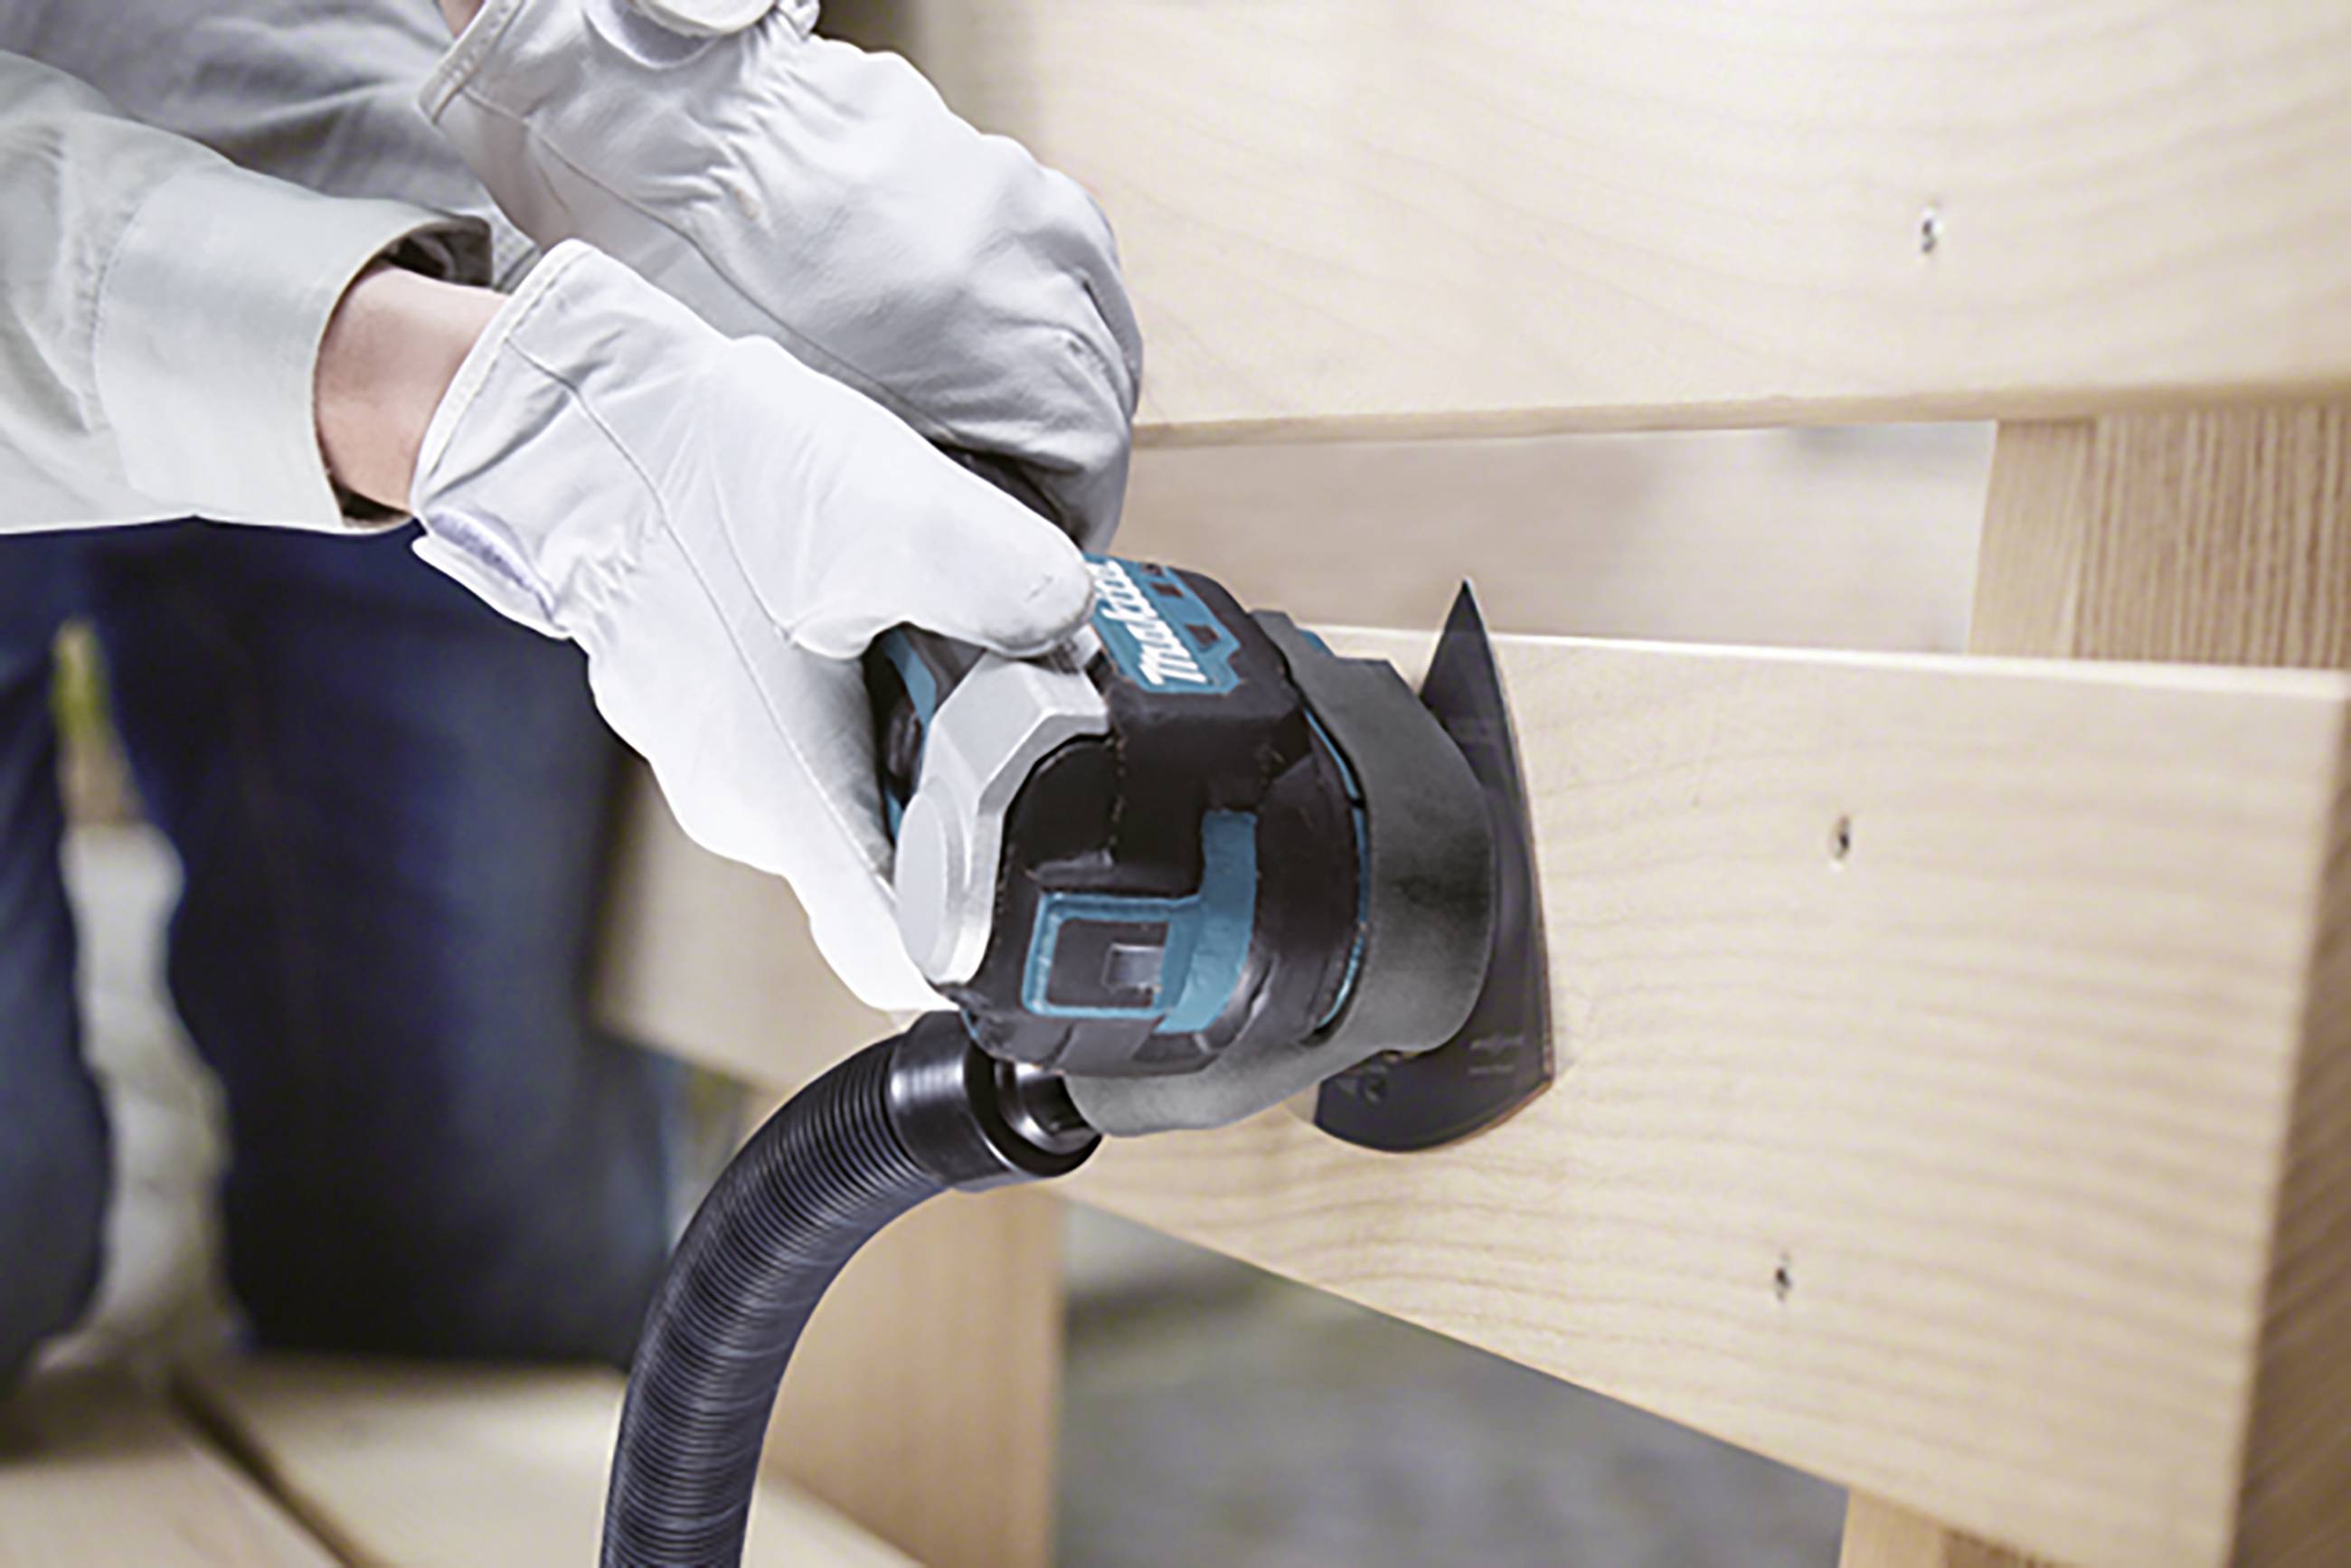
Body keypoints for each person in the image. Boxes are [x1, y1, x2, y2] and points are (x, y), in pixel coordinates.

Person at [0, 0, 1139, 1385]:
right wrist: (519, 428)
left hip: (336, 118)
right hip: (281, 325)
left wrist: (672, 82)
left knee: (482, 1278)